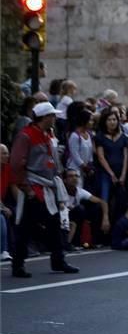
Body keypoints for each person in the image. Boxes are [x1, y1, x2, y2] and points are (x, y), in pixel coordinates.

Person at [8, 102, 79, 277]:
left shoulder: (47, 135)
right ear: (44, 117)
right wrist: (27, 188)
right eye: (52, 115)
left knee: (48, 224)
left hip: (46, 187)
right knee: (29, 226)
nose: (54, 118)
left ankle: (55, 260)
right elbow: (16, 164)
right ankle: (20, 263)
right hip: (35, 187)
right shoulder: (26, 136)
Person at [94, 109, 128, 220]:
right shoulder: (100, 137)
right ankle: (105, 221)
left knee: (121, 201)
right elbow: (101, 157)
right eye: (109, 120)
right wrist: (111, 173)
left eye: (114, 119)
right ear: (104, 121)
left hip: (120, 172)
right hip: (105, 172)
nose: (112, 122)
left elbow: (125, 157)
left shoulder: (123, 137)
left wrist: (123, 174)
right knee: (105, 198)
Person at [63, 168, 109, 249]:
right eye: (70, 176)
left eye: (76, 176)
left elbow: (102, 202)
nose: (74, 178)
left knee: (96, 207)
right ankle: (73, 242)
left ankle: (95, 241)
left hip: (75, 217)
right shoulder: (61, 192)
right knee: (80, 209)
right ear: (65, 180)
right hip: (63, 218)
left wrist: (105, 218)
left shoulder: (80, 191)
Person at [66, 109, 95, 187]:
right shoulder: (74, 136)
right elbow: (75, 155)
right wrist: (85, 167)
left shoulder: (89, 135)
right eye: (90, 120)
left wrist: (90, 165)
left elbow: (90, 152)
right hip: (74, 169)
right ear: (83, 121)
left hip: (84, 170)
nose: (92, 122)